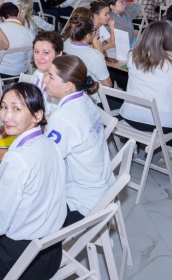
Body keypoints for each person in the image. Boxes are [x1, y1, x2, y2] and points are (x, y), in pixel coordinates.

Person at [0, 83, 65, 279]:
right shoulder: (50, 143)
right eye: (4, 107)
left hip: (22, 262)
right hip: (51, 253)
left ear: (37, 115)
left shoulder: (17, 159)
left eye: (16, 109)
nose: (6, 116)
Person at [42, 55, 115, 225]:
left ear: (67, 86)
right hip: (102, 189)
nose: (45, 80)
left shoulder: (63, 118)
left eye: (50, 76)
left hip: (80, 204)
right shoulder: (85, 100)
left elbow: (46, 163)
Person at [119, 21, 172, 166]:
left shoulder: (132, 56)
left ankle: (131, 143)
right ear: (168, 38)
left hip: (132, 118)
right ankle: (169, 149)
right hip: (166, 124)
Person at [63, 16, 113, 103]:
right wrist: (96, 40)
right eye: (94, 30)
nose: (96, 32)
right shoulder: (95, 56)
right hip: (91, 98)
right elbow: (108, 85)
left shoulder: (66, 43)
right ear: (88, 36)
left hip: (69, 92)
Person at [25, 31, 64, 116]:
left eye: (46, 52)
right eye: (36, 52)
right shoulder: (37, 74)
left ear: (58, 54)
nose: (39, 57)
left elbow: (56, 116)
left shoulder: (61, 82)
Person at [0, 2, 35, 78]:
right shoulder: (28, 32)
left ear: (2, 17)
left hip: (0, 69)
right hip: (20, 70)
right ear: (17, 14)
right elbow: (30, 55)